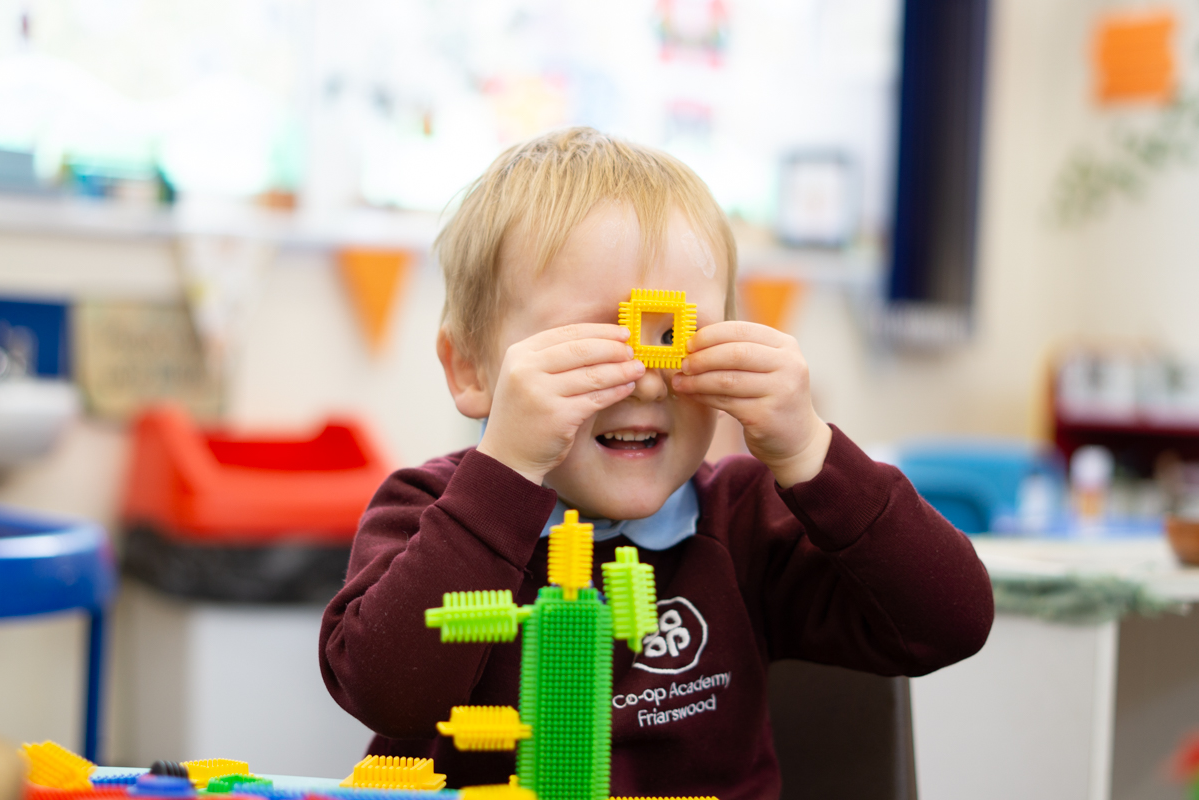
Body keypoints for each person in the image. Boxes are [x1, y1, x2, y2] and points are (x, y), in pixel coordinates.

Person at [319, 127, 993, 799]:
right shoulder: (430, 511)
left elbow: (951, 620)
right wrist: (506, 470)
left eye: (673, 336)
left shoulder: (746, 520)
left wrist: (809, 450)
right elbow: (386, 694)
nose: (645, 381)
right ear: (470, 368)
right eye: (593, 342)